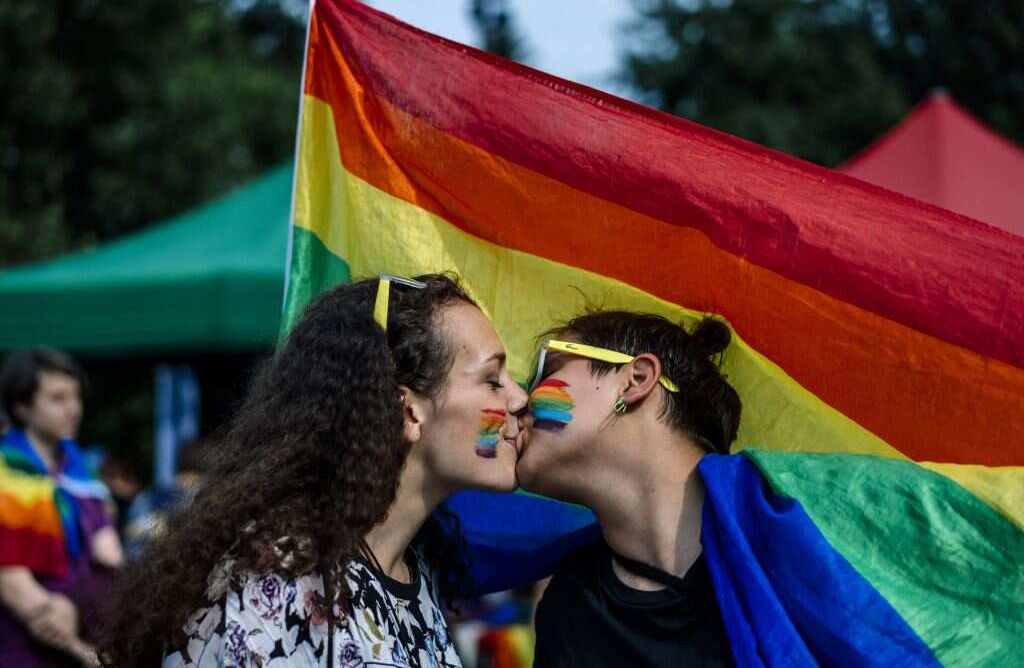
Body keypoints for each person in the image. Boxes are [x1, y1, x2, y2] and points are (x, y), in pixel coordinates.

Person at [98, 273, 530, 667]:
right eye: (492, 380)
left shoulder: (416, 568)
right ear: (408, 412)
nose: (518, 398)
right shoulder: (276, 583)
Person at [515, 311, 741, 667]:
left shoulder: (791, 538)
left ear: (635, 380)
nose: (518, 399)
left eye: (548, 369)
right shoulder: (572, 607)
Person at [0, 347, 124, 667]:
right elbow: (10, 579)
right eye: (58, 398)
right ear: (22, 407)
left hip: (83, 633)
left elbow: (110, 558)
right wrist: (80, 649)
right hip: (22, 649)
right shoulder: (5, 474)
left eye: (76, 397)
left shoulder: (81, 471)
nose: (74, 408)